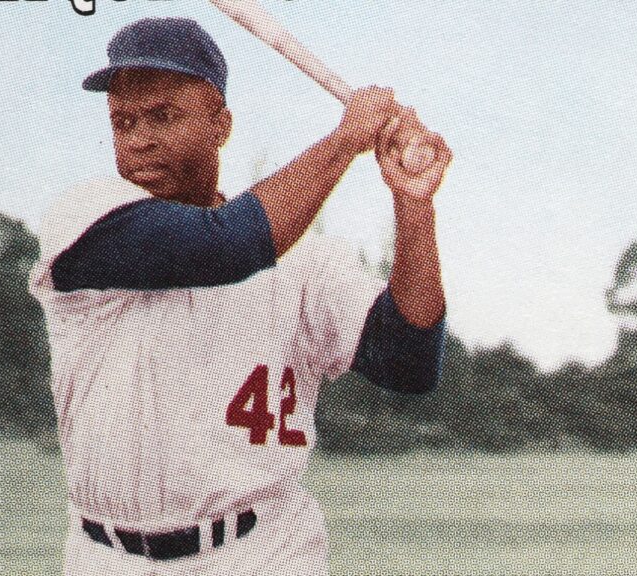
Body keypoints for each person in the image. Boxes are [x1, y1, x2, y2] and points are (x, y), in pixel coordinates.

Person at [30, 17, 451, 576]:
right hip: (106, 557)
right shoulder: (86, 221)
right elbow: (225, 245)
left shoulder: (303, 260)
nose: (139, 139)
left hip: (263, 550)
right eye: (123, 121)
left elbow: (410, 360)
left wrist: (414, 204)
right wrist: (347, 139)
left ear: (220, 125)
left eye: (163, 115)